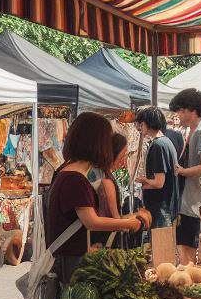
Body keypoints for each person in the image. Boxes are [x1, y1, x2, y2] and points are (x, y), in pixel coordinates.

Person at [46, 113, 147, 283]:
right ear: (96, 142)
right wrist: (128, 223)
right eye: (107, 139)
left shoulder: (70, 171)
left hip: (73, 256)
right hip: (72, 260)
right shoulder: (74, 177)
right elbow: (91, 221)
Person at [170, 88, 201, 264]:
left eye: (181, 111)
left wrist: (181, 171)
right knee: (188, 249)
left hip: (195, 202)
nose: (178, 115)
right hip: (193, 201)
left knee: (188, 253)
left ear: (192, 110)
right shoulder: (197, 129)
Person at [134, 106, 180, 230]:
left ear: (147, 123)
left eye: (141, 124)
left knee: (159, 245)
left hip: (160, 208)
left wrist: (144, 180)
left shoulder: (158, 145)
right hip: (165, 206)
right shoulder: (166, 141)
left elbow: (159, 183)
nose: (140, 127)